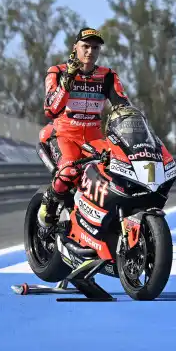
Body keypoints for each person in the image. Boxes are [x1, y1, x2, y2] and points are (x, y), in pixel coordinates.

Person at [38, 27, 132, 227]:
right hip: (63, 135)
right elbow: (50, 110)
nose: (90, 52)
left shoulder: (108, 76)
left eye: (95, 48)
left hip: (95, 138)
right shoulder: (57, 71)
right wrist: (67, 82)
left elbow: (123, 107)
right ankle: (49, 201)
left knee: (121, 169)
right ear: (75, 47)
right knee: (69, 172)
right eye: (86, 46)